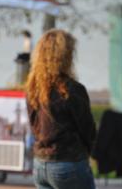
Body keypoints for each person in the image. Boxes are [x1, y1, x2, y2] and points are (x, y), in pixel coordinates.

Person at [25, 29, 97, 189]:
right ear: (65, 57)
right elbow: (87, 129)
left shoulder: (32, 88)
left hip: (40, 164)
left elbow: (34, 126)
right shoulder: (72, 89)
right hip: (68, 162)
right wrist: (89, 151)